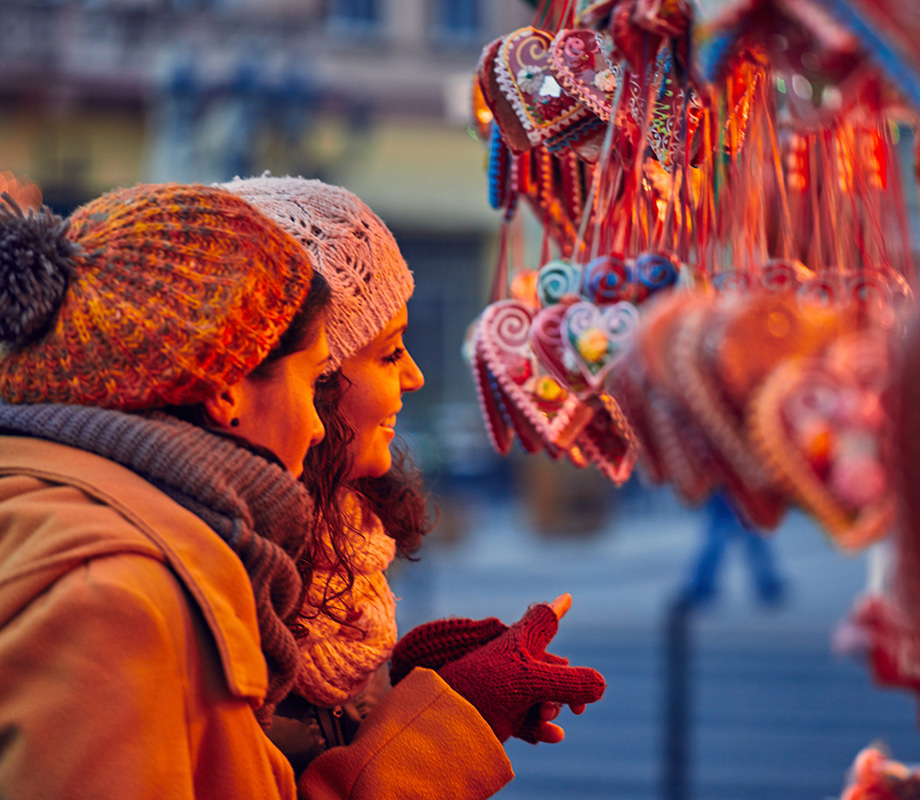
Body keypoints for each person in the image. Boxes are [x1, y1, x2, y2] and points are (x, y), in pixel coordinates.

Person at [0, 181, 604, 800]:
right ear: (227, 388)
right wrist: (449, 725)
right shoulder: (117, 595)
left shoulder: (175, 554)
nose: (315, 424)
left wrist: (411, 700)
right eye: (315, 376)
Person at [223, 176, 607, 776]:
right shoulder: (219, 581)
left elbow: (327, 755)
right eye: (389, 352)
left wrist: (418, 685)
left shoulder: (339, 550)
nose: (415, 377)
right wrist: (457, 721)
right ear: (308, 374)